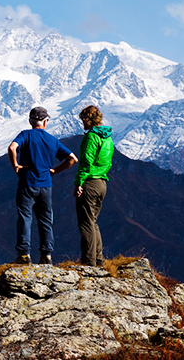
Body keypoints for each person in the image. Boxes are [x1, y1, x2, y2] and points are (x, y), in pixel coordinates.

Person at [8, 106, 78, 265]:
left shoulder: (25, 135)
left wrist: (16, 166)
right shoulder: (52, 140)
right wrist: (54, 170)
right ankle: (46, 256)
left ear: (30, 121)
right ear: (45, 122)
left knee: (25, 217)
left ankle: (24, 255)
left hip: (27, 183)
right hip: (46, 185)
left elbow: (12, 147)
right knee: (46, 220)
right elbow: (73, 159)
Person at [74, 105, 114, 267]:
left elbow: (86, 161)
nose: (82, 123)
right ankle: (98, 259)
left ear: (88, 119)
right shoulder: (108, 138)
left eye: (83, 119)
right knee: (93, 221)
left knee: (85, 222)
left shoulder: (91, 137)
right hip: (102, 183)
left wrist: (79, 182)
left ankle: (89, 261)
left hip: (89, 183)